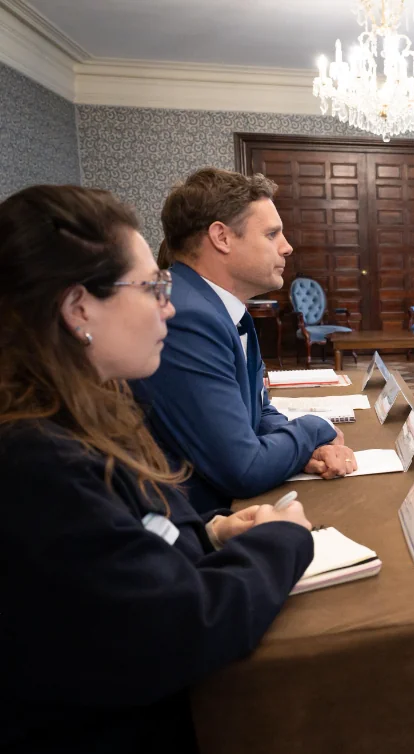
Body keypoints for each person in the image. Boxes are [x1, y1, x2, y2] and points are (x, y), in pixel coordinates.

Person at [0, 185, 315, 753]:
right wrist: (285, 540)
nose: (169, 306)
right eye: (152, 288)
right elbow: (179, 628)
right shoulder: (33, 460)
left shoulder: (81, 413)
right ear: (78, 309)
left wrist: (211, 533)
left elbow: (119, 547)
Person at [132, 167, 356, 514]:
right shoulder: (185, 317)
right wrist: (314, 430)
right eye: (272, 234)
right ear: (221, 237)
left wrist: (306, 449)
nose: (287, 247)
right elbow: (244, 469)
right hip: (197, 522)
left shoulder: (222, 307)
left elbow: (259, 409)